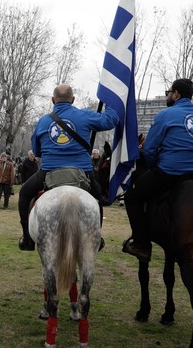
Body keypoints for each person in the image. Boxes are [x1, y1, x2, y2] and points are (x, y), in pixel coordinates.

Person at [18, 83, 119, 251]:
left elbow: (36, 151)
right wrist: (109, 101)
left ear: (52, 100)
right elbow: (110, 120)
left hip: (49, 172)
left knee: (24, 194)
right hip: (83, 172)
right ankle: (96, 236)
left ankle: (27, 239)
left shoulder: (43, 122)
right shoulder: (84, 115)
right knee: (97, 197)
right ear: (73, 99)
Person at [123, 78, 193, 262]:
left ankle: (142, 244)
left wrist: (152, 166)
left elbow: (149, 150)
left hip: (172, 173)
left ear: (176, 94)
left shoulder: (165, 115)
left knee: (132, 197)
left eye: (169, 92)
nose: (168, 96)